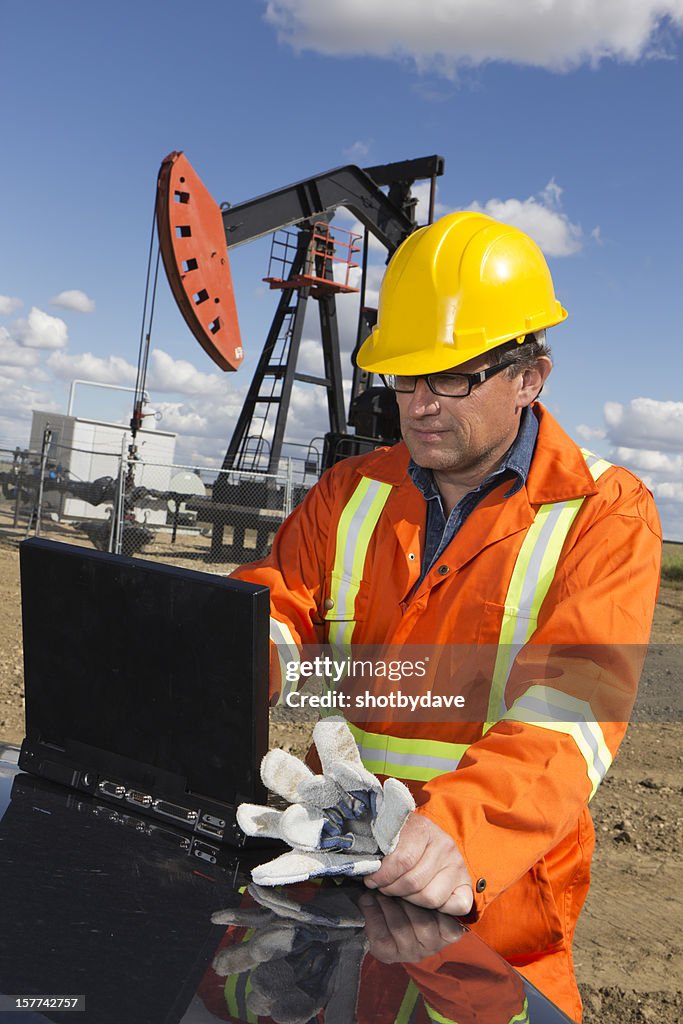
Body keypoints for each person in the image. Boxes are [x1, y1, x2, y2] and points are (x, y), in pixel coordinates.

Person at [232, 211, 662, 1021]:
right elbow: (272, 613)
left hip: (491, 899)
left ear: (530, 377)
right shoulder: (349, 491)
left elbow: (572, 708)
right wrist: (214, 675)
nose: (420, 405)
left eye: (451, 378)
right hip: (338, 867)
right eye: (404, 378)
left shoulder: (604, 513)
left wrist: (457, 831)